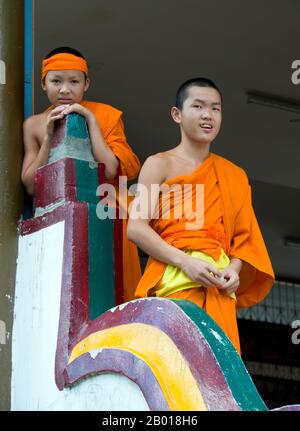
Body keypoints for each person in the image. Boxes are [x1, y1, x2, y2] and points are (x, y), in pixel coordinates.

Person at [127, 77, 274, 354]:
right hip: (175, 281)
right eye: (198, 106)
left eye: (216, 109)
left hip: (218, 287)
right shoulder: (159, 165)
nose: (208, 115)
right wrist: (186, 263)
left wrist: (233, 270)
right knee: (177, 366)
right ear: (177, 114)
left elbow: (244, 239)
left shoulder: (234, 175)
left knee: (219, 373)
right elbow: (136, 228)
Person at [21, 46, 141, 301]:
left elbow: (111, 168)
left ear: (86, 83)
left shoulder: (105, 115)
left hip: (107, 213)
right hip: (57, 216)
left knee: (113, 291)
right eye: (56, 81)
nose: (65, 89)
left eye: (74, 81)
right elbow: (31, 185)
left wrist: (91, 121)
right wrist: (48, 138)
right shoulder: (33, 124)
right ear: (43, 84)